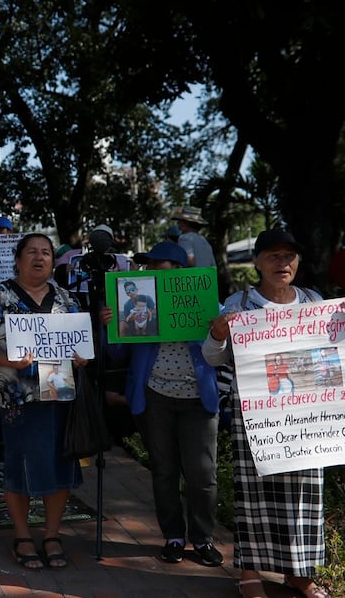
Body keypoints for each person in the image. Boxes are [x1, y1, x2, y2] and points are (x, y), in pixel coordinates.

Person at [204, 229, 337, 598]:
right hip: (256, 418)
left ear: (298, 262)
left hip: (308, 418)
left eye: (289, 256)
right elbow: (212, 358)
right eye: (274, 256)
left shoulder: (314, 301)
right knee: (254, 493)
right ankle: (249, 574)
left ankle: (300, 574)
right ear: (257, 262)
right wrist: (217, 333)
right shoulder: (238, 303)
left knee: (305, 495)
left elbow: (333, 354)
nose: (283, 263)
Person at [102, 240, 223, 568]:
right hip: (154, 396)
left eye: (160, 266)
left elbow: (223, 352)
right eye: (149, 266)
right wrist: (111, 325)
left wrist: (216, 329)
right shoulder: (140, 304)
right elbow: (115, 354)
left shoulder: (209, 302)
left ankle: (202, 538)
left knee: (202, 474)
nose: (152, 271)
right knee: (164, 470)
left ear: (180, 272)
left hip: (199, 399)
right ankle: (172, 536)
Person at [0, 233, 84, 570]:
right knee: (20, 466)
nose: (39, 257)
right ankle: (21, 535)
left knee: (61, 464)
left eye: (45, 252)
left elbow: (79, 344)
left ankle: (51, 535)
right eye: (31, 252)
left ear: (52, 260)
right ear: (17, 259)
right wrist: (6, 361)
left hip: (60, 396)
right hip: (18, 400)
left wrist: (81, 357)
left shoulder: (66, 297)